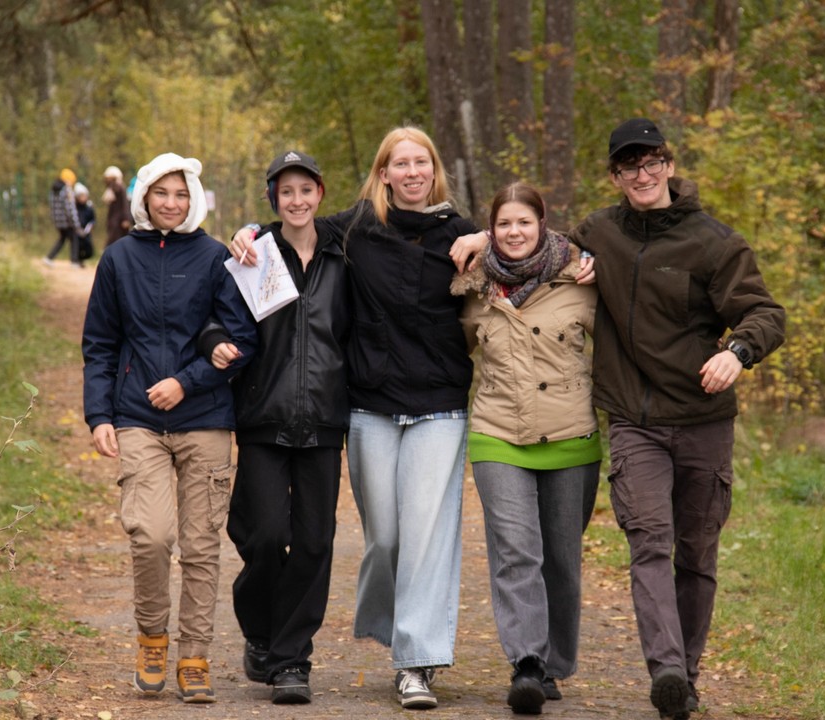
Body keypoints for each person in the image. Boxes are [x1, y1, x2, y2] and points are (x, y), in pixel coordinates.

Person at [229, 126, 482, 710]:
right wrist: (248, 231)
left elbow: (528, 244)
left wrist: (490, 235)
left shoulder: (461, 232)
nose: (413, 172)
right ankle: (382, 626)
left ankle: (413, 660)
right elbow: (294, 227)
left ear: (434, 169)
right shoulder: (358, 227)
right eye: (401, 163)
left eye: (421, 162)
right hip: (370, 404)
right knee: (384, 539)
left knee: (419, 536)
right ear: (383, 173)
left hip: (438, 402)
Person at [567, 118, 786, 719]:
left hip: (702, 418)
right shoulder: (599, 233)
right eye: (628, 166)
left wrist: (737, 353)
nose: (642, 175)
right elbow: (532, 243)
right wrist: (482, 238)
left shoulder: (714, 243)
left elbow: (765, 313)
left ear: (668, 165)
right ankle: (665, 668)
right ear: (615, 176)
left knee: (696, 554)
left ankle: (685, 676)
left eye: (651, 163)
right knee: (648, 542)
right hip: (634, 420)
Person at [82, 152, 257, 704]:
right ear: (144, 196)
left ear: (194, 199)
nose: (172, 203)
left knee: (201, 545)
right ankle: (152, 639)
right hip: (139, 418)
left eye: (182, 194)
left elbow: (241, 340)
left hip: (205, 416)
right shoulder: (118, 258)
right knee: (152, 536)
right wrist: (99, 415)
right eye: (162, 193)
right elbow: (100, 344)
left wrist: (187, 382)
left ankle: (195, 656)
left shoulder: (214, 258)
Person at [197, 151, 349, 705]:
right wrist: (214, 342)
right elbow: (214, 319)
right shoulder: (254, 253)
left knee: (313, 541)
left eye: (306, 189)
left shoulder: (344, 253)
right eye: (287, 192)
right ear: (273, 199)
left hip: (324, 418)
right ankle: (261, 630)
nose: (297, 200)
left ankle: (290, 660)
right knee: (261, 536)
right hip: (263, 414)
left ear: (320, 193)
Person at [450, 182, 600, 715]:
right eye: (504, 224)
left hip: (571, 436)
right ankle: (527, 663)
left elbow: (624, 343)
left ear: (543, 224)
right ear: (490, 229)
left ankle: (554, 663)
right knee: (516, 550)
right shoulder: (473, 284)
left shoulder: (582, 277)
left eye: (524, 222)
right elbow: (448, 349)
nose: (515, 233)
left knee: (561, 557)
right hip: (498, 434)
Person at [45, 168, 82, 266]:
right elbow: (70, 208)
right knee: (74, 238)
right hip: (67, 221)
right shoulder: (67, 190)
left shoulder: (53, 190)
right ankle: (74, 261)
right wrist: (76, 223)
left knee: (62, 239)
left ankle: (49, 258)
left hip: (58, 220)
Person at [102, 165, 132, 248]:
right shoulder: (111, 189)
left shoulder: (120, 188)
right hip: (113, 219)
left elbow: (124, 203)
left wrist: (126, 218)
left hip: (119, 220)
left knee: (117, 240)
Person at [74, 182, 96, 266]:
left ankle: (82, 260)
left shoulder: (89, 208)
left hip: (86, 231)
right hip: (77, 231)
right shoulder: (74, 207)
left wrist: (89, 227)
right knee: (78, 247)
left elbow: (93, 219)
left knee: (89, 250)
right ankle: (78, 261)